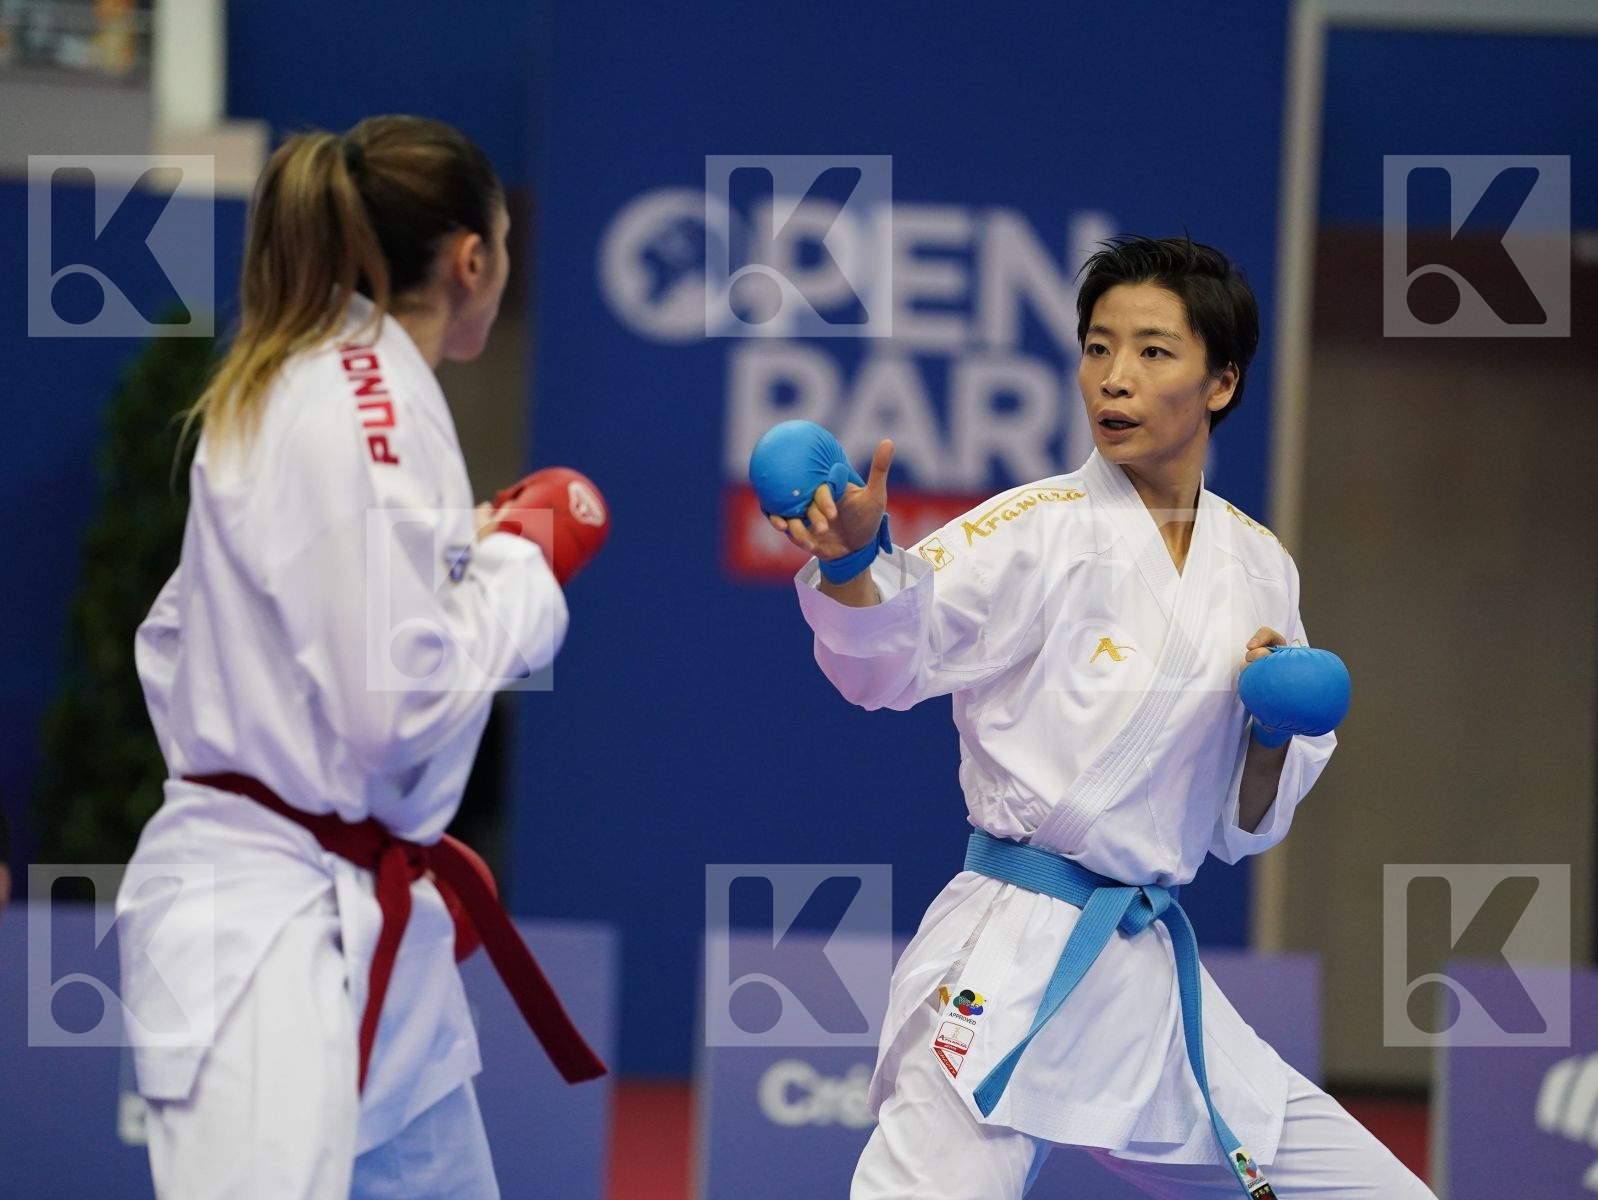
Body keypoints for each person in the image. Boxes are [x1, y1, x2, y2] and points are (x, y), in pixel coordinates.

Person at [767, 237, 1435, 1198]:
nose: (1114, 378)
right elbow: (890, 662)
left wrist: (1271, 729)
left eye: (1153, 352)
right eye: (1096, 347)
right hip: (1012, 955)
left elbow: (1244, 827)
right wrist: (847, 565)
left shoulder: (1259, 567)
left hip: (1142, 969)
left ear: (1222, 382)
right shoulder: (1037, 527)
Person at [119, 115, 606, 1200]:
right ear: (473, 258)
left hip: (345, 910)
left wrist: (456, 568)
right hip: (268, 929)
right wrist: (521, 579)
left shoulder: (309, 376)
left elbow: (175, 635)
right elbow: (393, 705)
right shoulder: (365, 399)